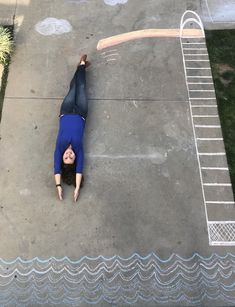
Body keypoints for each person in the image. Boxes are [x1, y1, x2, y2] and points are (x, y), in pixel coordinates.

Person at [54, 54, 90, 202]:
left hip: (66, 111)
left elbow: (56, 169)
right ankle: (81, 65)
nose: (69, 154)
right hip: (81, 112)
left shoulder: (59, 149)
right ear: (75, 158)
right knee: (81, 87)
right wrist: (76, 188)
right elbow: (79, 169)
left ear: (62, 158)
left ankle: (80, 67)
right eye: (71, 157)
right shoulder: (79, 150)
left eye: (66, 157)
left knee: (73, 88)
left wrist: (58, 186)